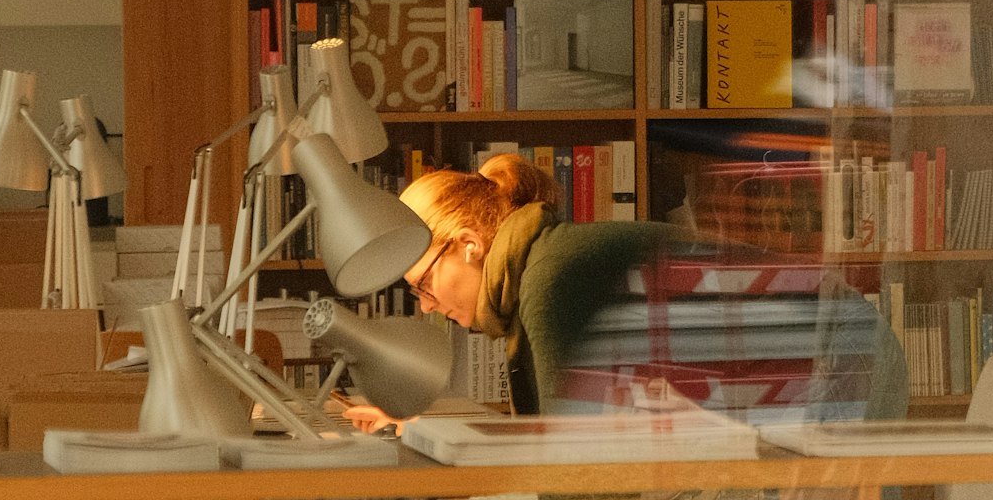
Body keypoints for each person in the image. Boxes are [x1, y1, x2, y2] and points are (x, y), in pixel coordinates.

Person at [349, 152, 909, 423]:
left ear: (469, 244)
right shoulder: (542, 264)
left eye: (423, 284)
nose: (427, 306)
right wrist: (421, 428)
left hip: (837, 350)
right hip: (814, 353)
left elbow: (565, 460)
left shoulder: (550, 277)